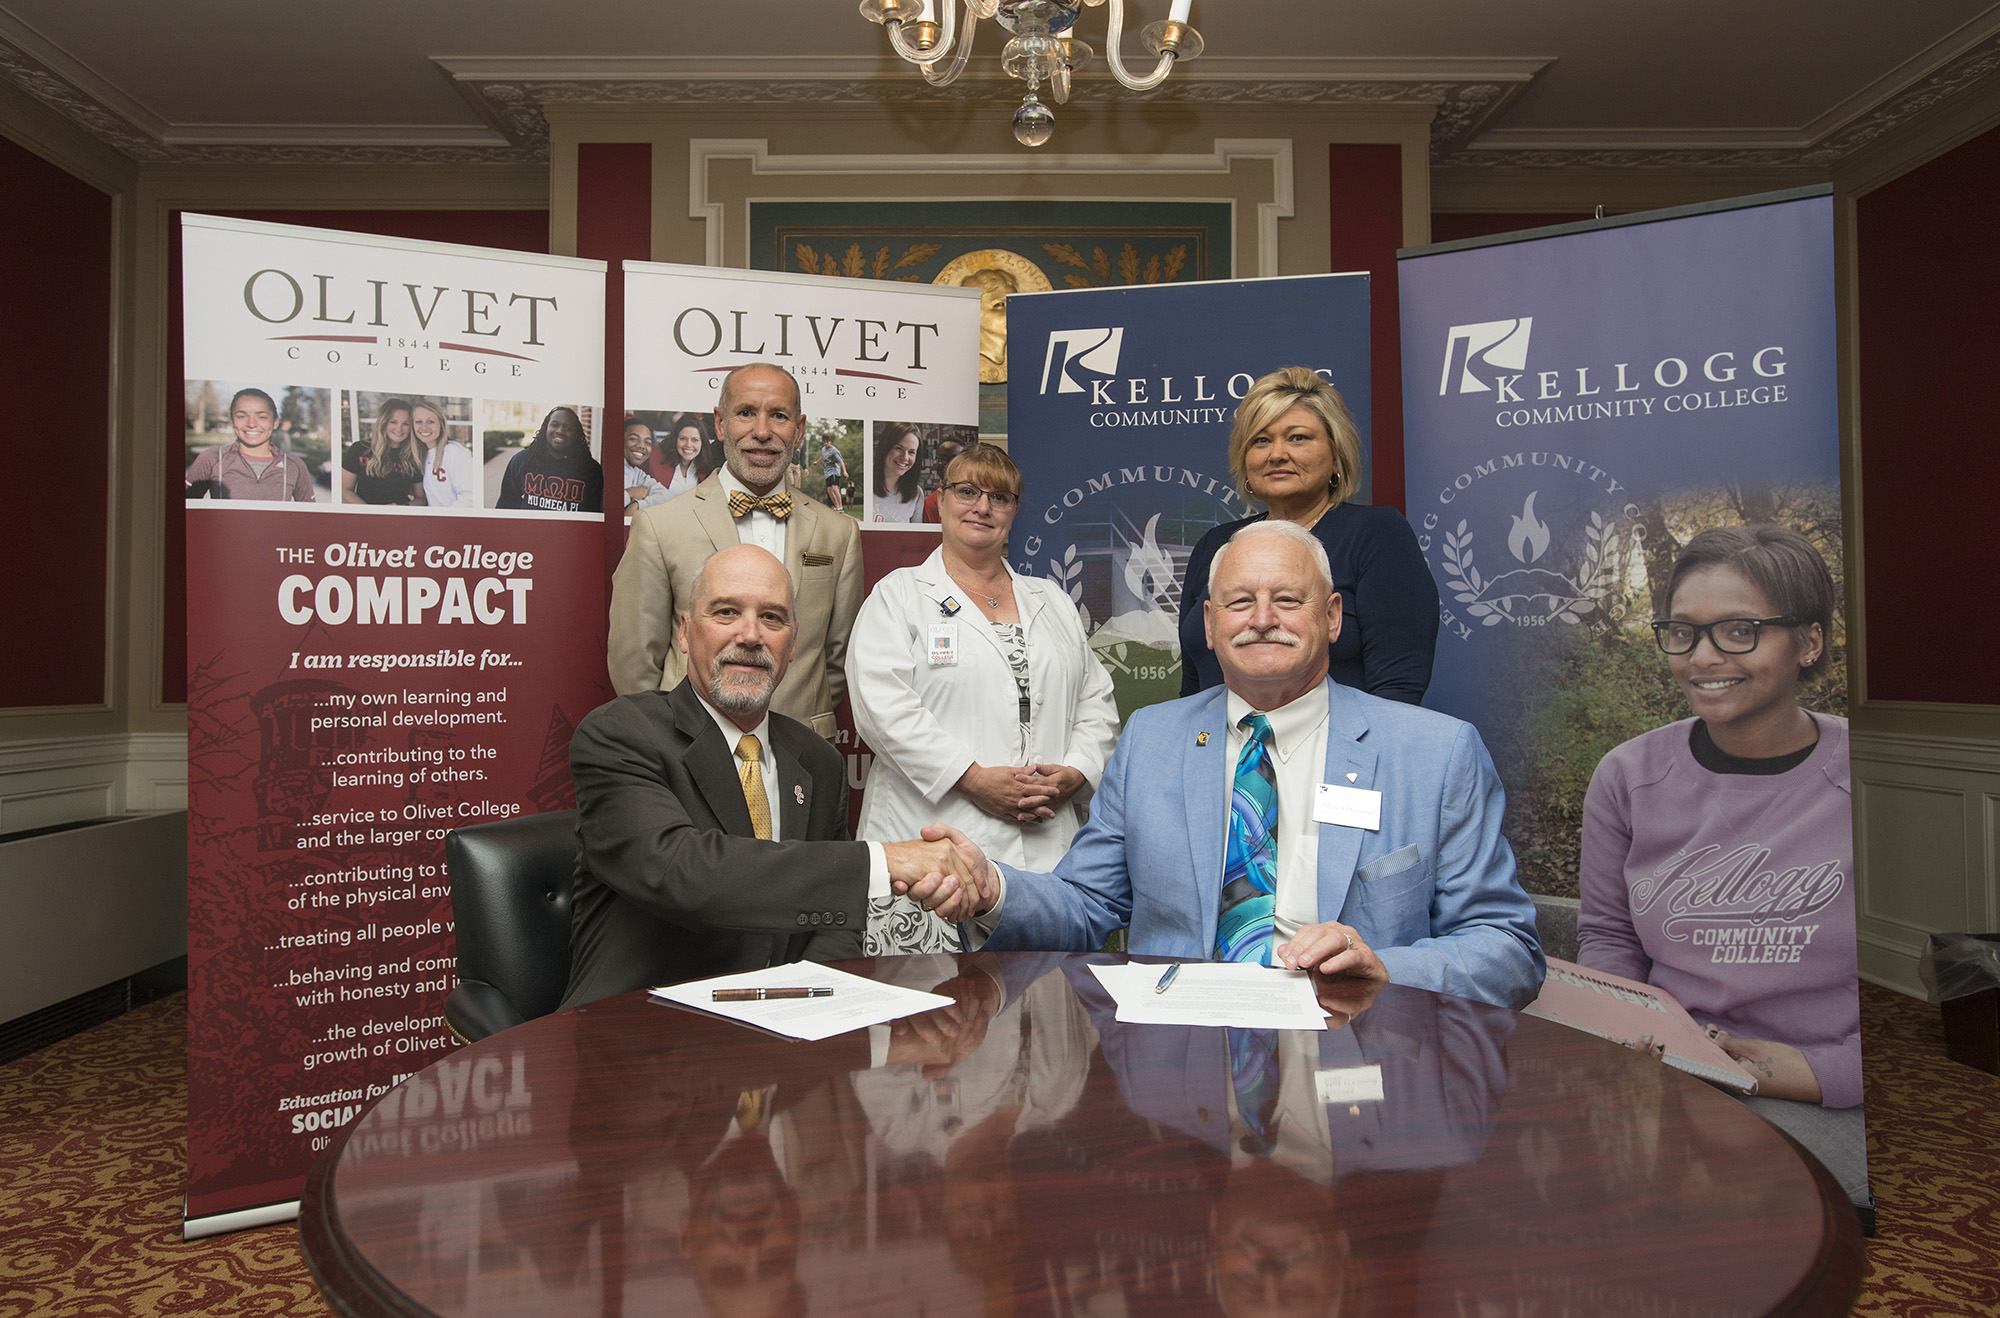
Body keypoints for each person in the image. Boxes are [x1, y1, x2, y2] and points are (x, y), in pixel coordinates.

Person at [935, 519, 1544, 1011]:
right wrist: (995, 892)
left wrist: (1387, 966)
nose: (1260, 620)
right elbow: (1087, 905)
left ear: (1332, 617)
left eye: (1286, 600)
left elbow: (1508, 950)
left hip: (1362, 1071)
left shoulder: (1436, 754)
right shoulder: (1152, 739)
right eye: (1239, 602)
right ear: (1207, 623)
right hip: (1180, 1080)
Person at [561, 544, 984, 1009]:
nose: (750, 635)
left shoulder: (818, 761)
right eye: (726, 613)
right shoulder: (621, 732)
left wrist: (792, 1014)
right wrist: (885, 862)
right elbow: (681, 873)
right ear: (684, 632)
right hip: (640, 1039)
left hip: (785, 1041)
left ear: (793, 644)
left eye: (772, 619)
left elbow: (838, 923)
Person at [1578, 525, 1859, 1112]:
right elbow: (1609, 939)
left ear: (1809, 643)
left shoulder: (1877, 779)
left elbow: (1930, 1000)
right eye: (1684, 632)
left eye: (1740, 631)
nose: (1703, 658)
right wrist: (1629, 1031)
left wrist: (1820, 1072)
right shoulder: (1627, 776)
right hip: (1672, 1078)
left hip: (1830, 1090)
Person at [846, 444, 1120, 953]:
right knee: (928, 1018)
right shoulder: (898, 595)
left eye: (1000, 496)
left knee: (1044, 1015)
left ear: (1014, 511)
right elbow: (881, 708)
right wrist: (972, 779)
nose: (982, 507)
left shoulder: (1053, 600)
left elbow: (1096, 701)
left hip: (1045, 846)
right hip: (932, 852)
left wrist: (1075, 773)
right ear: (941, 501)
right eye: (967, 491)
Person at [608, 362, 864, 740]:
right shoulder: (660, 526)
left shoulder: (839, 533)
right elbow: (635, 663)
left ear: (799, 430)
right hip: (686, 753)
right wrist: (667, 743)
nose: (762, 432)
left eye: (778, 416)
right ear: (720, 423)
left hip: (802, 753)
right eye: (746, 413)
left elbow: (837, 659)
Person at [1180, 367, 1438, 705]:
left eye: (1297, 437)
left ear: (1335, 454)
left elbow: (1398, 690)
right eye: (1261, 440)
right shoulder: (1216, 546)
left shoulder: (1376, 533)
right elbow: (1192, 689)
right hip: (1221, 751)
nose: (1277, 454)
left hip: (1337, 752)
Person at [184, 386, 315, 501]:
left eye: (262, 417)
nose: (251, 424)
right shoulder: (212, 458)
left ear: (275, 422)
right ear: (232, 421)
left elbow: (310, 519)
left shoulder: (294, 465)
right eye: (241, 416)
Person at [495, 405, 603, 513]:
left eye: (568, 428)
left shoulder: (591, 470)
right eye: (555, 425)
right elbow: (506, 504)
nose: (560, 431)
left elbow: (592, 514)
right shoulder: (521, 460)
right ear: (546, 427)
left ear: (576, 435)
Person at [341, 396, 423, 505]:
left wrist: (402, 507)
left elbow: (422, 499)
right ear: (383, 422)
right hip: (364, 516)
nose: (399, 428)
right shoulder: (359, 449)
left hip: (397, 518)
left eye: (406, 424)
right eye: (393, 422)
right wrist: (370, 513)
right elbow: (345, 490)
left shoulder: (413, 456)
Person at [413, 398, 476, 509]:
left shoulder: (454, 452)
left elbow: (470, 498)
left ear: (441, 424)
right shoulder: (422, 455)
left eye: (430, 421)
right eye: (418, 422)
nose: (424, 427)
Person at [871, 422, 924, 523]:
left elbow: (915, 537)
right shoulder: (865, 480)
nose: (905, 457)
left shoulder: (916, 494)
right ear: (885, 447)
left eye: (911, 452)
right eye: (899, 448)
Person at [653, 415, 714, 499]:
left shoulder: (705, 467)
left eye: (695, 440)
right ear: (675, 439)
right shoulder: (656, 457)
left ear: (702, 443)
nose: (688, 445)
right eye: (683, 439)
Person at [620, 418, 671, 515]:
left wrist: (637, 505)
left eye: (647, 442)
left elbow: (666, 496)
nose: (641, 446)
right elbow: (606, 506)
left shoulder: (637, 472)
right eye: (634, 439)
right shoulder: (609, 468)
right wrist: (629, 493)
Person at [817, 431, 849, 513]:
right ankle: (837, 506)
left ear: (830, 441)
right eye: (824, 442)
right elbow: (823, 457)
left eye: (827, 442)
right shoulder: (823, 449)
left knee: (834, 488)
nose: (826, 444)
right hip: (827, 472)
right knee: (829, 490)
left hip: (834, 471)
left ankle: (840, 507)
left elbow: (841, 461)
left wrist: (844, 471)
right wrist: (817, 462)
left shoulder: (834, 450)